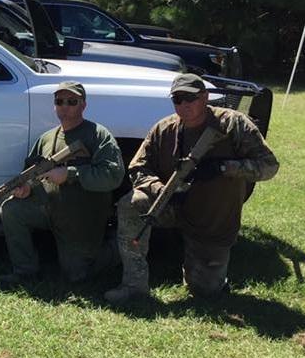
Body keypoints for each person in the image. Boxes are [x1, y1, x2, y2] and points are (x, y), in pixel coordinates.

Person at [105, 73, 279, 304]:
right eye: (177, 99)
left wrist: (224, 167)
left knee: (205, 291)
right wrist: (160, 190)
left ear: (205, 97)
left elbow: (269, 166)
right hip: (169, 206)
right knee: (131, 204)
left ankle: (205, 274)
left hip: (212, 219)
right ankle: (133, 285)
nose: (184, 105)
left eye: (190, 98)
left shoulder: (232, 124)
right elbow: (138, 168)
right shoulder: (163, 129)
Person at [0, 81, 125, 285]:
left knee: (77, 275)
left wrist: (70, 174)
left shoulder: (98, 135)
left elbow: (113, 175)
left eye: (72, 101)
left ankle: (119, 246)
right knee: (11, 209)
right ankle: (25, 271)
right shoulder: (46, 139)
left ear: (83, 105)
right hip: (48, 208)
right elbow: (31, 174)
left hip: (81, 217)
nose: (64, 106)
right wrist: (26, 188)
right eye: (59, 101)